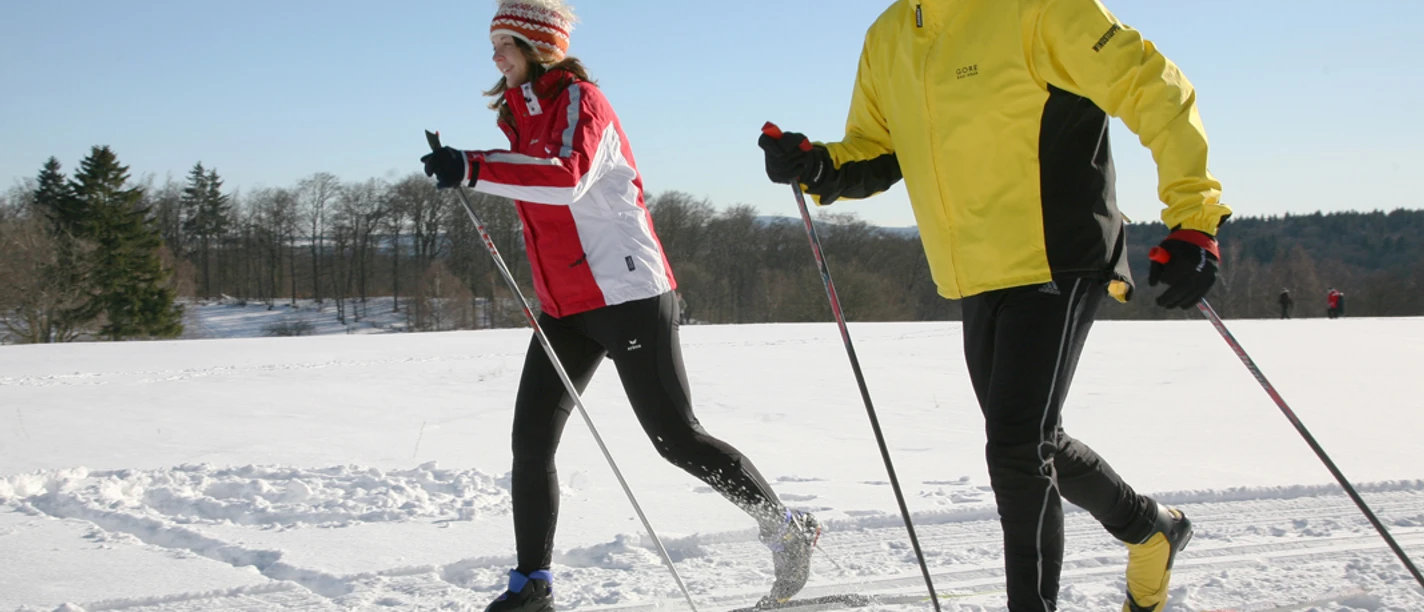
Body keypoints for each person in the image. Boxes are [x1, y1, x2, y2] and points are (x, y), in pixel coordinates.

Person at [757, 1, 1227, 610]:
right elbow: (879, 149)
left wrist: (1193, 216)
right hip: (975, 272)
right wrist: (819, 165)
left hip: (1058, 251)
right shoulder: (889, 35)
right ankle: (1149, 528)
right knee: (1033, 441)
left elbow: (1153, 86)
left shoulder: (1039, 10)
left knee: (1017, 448)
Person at [420, 2, 818, 610]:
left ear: (538, 48)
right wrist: (472, 165)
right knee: (531, 442)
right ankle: (532, 585)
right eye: (494, 45)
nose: (495, 57)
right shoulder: (518, 114)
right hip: (563, 303)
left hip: (628, 294)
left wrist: (472, 166)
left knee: (675, 438)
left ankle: (787, 528)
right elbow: (532, 179)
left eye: (505, 44)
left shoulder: (583, 101)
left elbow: (566, 176)